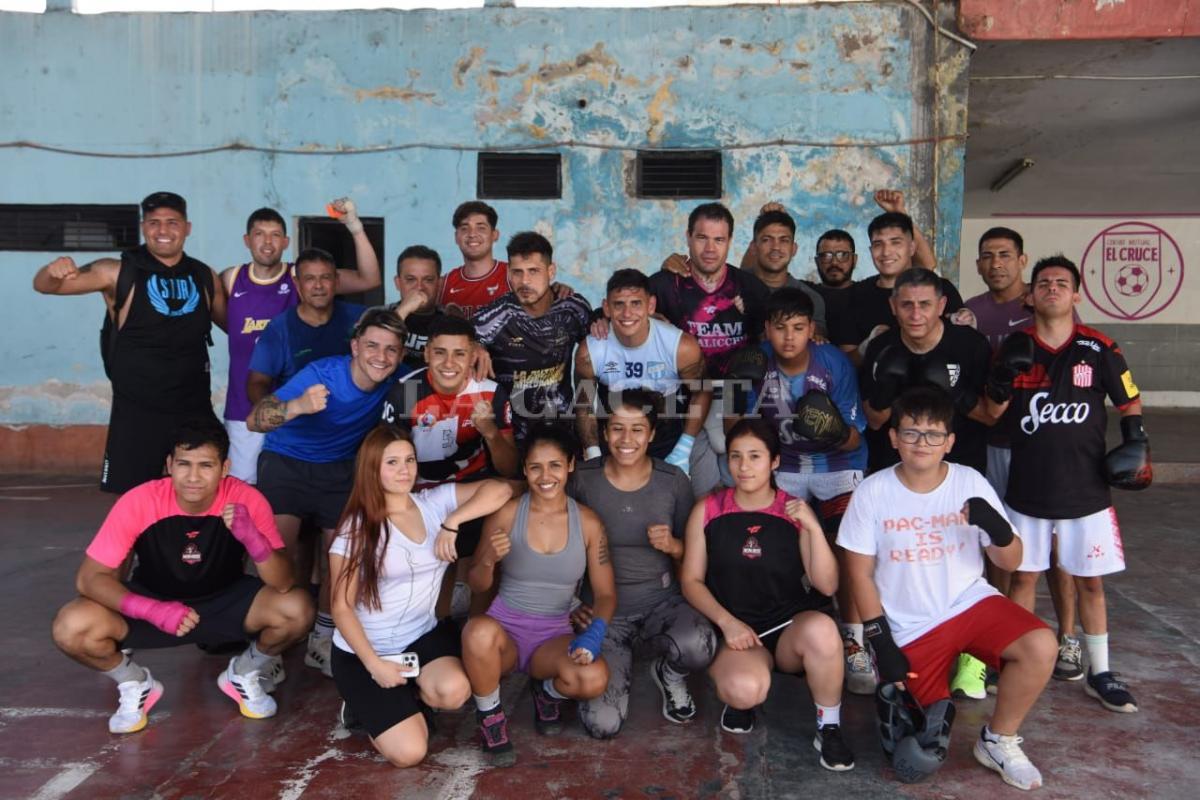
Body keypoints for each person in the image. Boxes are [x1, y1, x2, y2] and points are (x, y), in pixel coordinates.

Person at [838, 386, 1056, 791]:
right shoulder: (872, 491)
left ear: (949, 442)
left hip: (968, 603)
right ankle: (908, 698)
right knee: (916, 753)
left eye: (933, 434)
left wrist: (996, 528)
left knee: (1041, 646)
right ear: (893, 438)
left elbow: (1011, 561)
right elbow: (859, 575)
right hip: (909, 625)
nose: (922, 443)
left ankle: (998, 740)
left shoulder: (969, 482)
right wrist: (881, 643)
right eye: (911, 432)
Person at [50, 420, 313, 733]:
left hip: (225, 602)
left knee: (297, 608)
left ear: (225, 467)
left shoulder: (246, 499)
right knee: (72, 626)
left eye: (206, 465)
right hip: (152, 602)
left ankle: (244, 672)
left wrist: (255, 542)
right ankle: (133, 682)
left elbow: (282, 582)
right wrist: (150, 609)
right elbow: (89, 578)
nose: (193, 477)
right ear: (169, 465)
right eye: (184, 464)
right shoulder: (139, 501)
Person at [985, 256, 1149, 714]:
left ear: (1076, 294)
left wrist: (1136, 442)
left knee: (1090, 583)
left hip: (1086, 490)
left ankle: (1100, 671)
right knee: (1024, 577)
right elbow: (992, 413)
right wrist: (1000, 379)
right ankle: (1018, 657)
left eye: (1061, 283)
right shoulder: (1017, 346)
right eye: (1043, 283)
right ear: (1030, 296)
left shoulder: (1099, 347)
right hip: (1027, 487)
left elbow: (1130, 402)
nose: (1052, 289)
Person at [328, 424, 512, 767]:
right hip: (364, 652)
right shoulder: (357, 528)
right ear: (372, 468)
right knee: (410, 753)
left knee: (455, 691)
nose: (404, 470)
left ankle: (407, 695)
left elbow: (500, 489)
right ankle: (362, 704)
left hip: (419, 637)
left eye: (409, 460)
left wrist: (453, 521)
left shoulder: (433, 503)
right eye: (392, 462)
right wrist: (375, 666)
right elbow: (341, 608)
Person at [680, 418, 855, 772]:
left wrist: (812, 527)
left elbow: (828, 585)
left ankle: (829, 727)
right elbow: (691, 581)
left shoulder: (793, 510)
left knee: (822, 630)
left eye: (755, 456)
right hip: (739, 632)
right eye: (736, 457)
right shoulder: (709, 509)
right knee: (744, 689)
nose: (744, 467)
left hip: (789, 627)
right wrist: (727, 624)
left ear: (774, 461)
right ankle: (743, 696)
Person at [248, 307, 409, 678]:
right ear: (354, 347)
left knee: (342, 556)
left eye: (390, 350)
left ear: (400, 355)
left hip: (339, 469)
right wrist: (298, 405)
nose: (380, 357)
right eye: (371, 346)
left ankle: (322, 638)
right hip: (286, 461)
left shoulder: (397, 376)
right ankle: (266, 649)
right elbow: (254, 419)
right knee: (277, 558)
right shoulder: (321, 373)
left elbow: (440, 367)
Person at [32, 191, 225, 494]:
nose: (163, 230)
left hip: (194, 406)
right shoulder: (117, 271)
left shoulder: (204, 276)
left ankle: (193, 543)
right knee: (133, 501)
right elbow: (45, 287)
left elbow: (237, 328)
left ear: (187, 228)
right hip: (138, 411)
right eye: (154, 222)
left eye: (172, 222)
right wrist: (51, 272)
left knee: (206, 491)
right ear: (143, 226)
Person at [734, 288, 872, 695]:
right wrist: (738, 388)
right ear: (767, 330)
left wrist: (829, 428)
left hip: (838, 466)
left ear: (812, 329)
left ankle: (853, 640)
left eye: (798, 328)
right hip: (785, 467)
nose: (789, 337)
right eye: (780, 329)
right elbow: (738, 432)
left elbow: (852, 438)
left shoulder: (833, 363)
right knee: (769, 545)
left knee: (846, 548)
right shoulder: (755, 362)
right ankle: (780, 628)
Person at [461, 424, 615, 767]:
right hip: (505, 633)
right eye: (535, 467)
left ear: (570, 465)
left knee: (593, 678)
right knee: (476, 631)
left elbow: (605, 594)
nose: (545, 476)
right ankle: (490, 717)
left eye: (555, 465)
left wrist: (595, 633)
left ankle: (547, 695)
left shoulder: (588, 522)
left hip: (552, 636)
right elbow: (477, 583)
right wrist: (486, 559)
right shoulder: (507, 513)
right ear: (525, 470)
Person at [964, 227, 1081, 682]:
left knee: (1056, 549)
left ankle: (1068, 637)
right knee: (1002, 545)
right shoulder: (970, 313)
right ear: (978, 264)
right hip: (997, 442)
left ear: (1022, 261)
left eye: (1006, 255)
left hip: (1048, 445)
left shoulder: (1048, 307)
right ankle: (1006, 639)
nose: (997, 263)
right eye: (988, 256)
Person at [567, 389, 715, 738]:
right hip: (604, 617)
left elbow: (695, 553)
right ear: (604, 433)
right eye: (617, 428)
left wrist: (675, 545)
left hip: (661, 605)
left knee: (700, 645)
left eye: (637, 429)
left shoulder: (673, 481)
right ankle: (618, 665)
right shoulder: (583, 479)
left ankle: (669, 673)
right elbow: (555, 547)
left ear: (651, 434)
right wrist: (570, 605)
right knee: (602, 725)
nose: (626, 439)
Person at [221, 200, 381, 483]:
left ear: (286, 241)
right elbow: (227, 324)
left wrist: (354, 225)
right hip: (247, 406)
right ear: (247, 240)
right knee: (246, 488)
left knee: (293, 487)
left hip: (308, 415)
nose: (267, 242)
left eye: (274, 235)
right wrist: (275, 410)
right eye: (259, 234)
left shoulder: (305, 274)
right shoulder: (231, 279)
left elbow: (369, 278)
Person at [647, 202, 772, 493]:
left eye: (719, 239)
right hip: (684, 403)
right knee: (697, 495)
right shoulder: (665, 285)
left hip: (737, 403)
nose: (710, 248)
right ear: (688, 237)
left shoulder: (750, 287)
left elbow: (779, 327)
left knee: (743, 490)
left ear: (730, 242)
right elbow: (620, 309)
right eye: (702, 237)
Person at [382, 314, 520, 560]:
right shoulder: (405, 390)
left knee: (511, 499)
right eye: (440, 352)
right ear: (426, 354)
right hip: (420, 492)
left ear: (472, 356)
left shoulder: (490, 392)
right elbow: (386, 461)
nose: (449, 363)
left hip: (471, 490)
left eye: (459, 353)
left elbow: (508, 468)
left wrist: (490, 432)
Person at [860, 268, 993, 476]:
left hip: (960, 468)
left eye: (925, 304)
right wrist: (887, 390)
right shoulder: (880, 347)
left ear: (941, 306)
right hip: (895, 470)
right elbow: (874, 421)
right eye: (906, 305)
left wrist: (957, 392)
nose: (915, 315)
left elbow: (990, 417)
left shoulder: (971, 345)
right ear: (893, 306)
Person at [574, 269, 709, 471]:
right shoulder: (590, 352)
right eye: (619, 304)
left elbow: (702, 392)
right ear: (606, 308)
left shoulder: (680, 347)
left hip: (666, 430)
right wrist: (593, 452)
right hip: (614, 432)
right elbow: (585, 404)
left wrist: (683, 449)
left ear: (651, 305)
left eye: (636, 303)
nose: (627, 313)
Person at [474, 232, 592, 442]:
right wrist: (473, 344)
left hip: (562, 431)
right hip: (511, 434)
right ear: (509, 273)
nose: (525, 281)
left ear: (551, 271)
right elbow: (456, 337)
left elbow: (601, 340)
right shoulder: (494, 316)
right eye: (517, 272)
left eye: (534, 271)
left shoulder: (573, 308)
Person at [835, 201, 966, 366]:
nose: (886, 252)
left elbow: (964, 348)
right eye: (878, 244)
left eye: (895, 242)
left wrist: (965, 321)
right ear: (870, 251)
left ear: (911, 248)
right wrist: (867, 346)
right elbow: (844, 363)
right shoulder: (854, 295)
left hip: (938, 388)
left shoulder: (940, 288)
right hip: (878, 389)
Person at [246, 248, 370, 411]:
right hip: (303, 425)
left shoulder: (360, 317)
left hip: (355, 421)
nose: (318, 286)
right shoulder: (280, 329)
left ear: (337, 281)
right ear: (297, 284)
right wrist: (279, 414)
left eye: (325, 277)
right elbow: (257, 383)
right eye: (309, 279)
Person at [729, 205, 828, 334]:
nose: (776, 247)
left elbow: (817, 342)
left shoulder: (810, 298)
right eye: (766, 240)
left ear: (794, 249)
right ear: (753, 247)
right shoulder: (730, 287)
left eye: (784, 240)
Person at [438, 201, 509, 320]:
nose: (472, 234)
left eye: (481, 228)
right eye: (464, 228)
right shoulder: (443, 285)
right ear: (456, 237)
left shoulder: (513, 275)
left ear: (494, 235)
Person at [391, 244, 451, 371]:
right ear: (398, 283)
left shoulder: (450, 321)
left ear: (439, 284)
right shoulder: (376, 315)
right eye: (411, 279)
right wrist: (403, 310)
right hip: (390, 387)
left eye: (428, 280)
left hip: (432, 387)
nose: (419, 287)